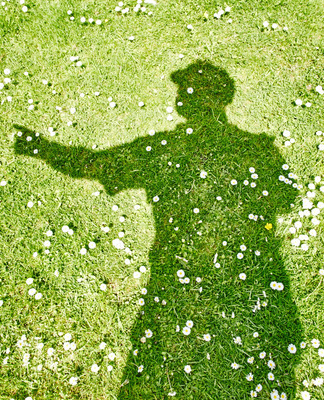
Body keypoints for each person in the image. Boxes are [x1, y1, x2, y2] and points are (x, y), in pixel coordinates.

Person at [15, 61, 302, 399]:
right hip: (249, 281)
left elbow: (94, 165)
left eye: (185, 92)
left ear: (183, 103)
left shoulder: (163, 151)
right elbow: (287, 198)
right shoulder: (257, 148)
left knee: (167, 372)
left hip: (179, 282)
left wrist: (39, 147)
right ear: (224, 100)